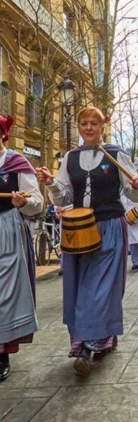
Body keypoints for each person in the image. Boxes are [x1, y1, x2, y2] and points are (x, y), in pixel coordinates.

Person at [36, 106, 138, 377]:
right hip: (77, 229)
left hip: (109, 225)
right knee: (79, 284)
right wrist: (51, 183)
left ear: (101, 127)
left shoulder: (116, 154)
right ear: (79, 127)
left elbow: (136, 195)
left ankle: (86, 346)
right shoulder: (70, 158)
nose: (88, 128)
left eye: (93, 124)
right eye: (84, 123)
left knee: (102, 285)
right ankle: (101, 336)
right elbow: (62, 198)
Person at [0, 115, 44, 381]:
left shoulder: (17, 163)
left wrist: (21, 203)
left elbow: (36, 201)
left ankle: (1, 353)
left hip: (7, 229)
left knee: (4, 295)